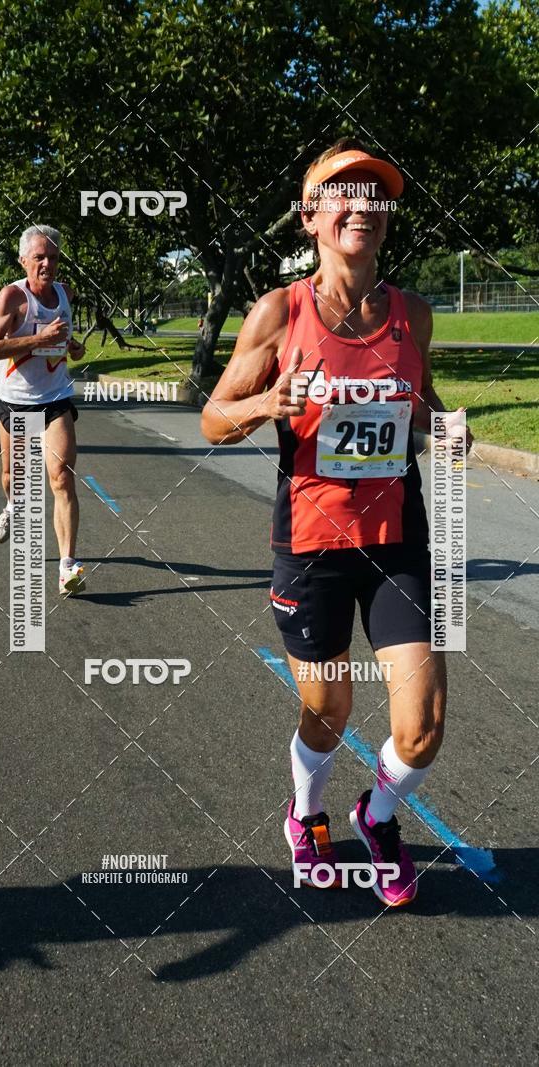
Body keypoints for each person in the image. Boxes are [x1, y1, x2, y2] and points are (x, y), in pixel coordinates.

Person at [201, 138, 472, 906]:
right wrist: (264, 403)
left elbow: (421, 409)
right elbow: (212, 419)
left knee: (421, 726)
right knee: (330, 707)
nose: (363, 206)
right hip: (312, 544)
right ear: (312, 218)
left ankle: (378, 816)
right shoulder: (278, 311)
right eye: (342, 193)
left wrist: (445, 428)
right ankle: (307, 808)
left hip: (398, 542)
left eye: (375, 195)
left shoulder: (412, 316)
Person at [0, 224, 87, 596]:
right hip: (16, 400)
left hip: (56, 398)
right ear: (24, 259)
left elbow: (65, 340)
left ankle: (67, 566)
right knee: (15, 479)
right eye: (40, 257)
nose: (47, 264)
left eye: (53, 257)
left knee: (60, 477)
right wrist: (40, 338)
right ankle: (13, 507)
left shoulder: (64, 293)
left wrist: (73, 347)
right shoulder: (12, 298)